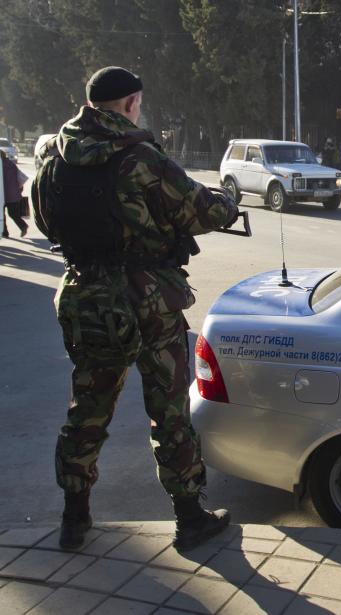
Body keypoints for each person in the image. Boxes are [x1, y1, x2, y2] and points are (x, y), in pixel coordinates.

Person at [33, 66, 238, 551]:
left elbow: (45, 222)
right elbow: (203, 211)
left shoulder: (55, 158)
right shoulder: (140, 156)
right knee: (168, 409)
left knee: (88, 406)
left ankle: (74, 517)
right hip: (148, 302)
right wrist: (227, 203)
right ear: (130, 104)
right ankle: (190, 518)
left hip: (87, 297)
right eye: (138, 103)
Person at [1, 150, 29, 237]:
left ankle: (5, 232)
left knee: (1, 215)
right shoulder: (11, 164)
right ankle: (23, 226)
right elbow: (19, 178)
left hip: (2, 194)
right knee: (13, 213)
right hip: (13, 194)